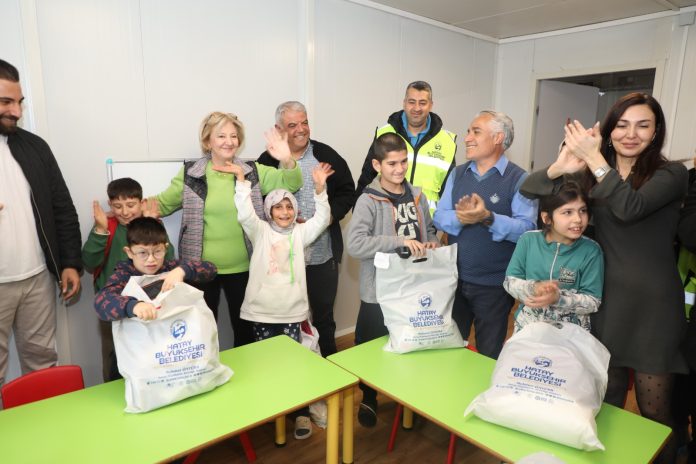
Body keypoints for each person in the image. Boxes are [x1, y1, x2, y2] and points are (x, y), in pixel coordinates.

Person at [520, 92, 688, 463]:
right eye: (622, 125)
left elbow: (630, 207)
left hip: (653, 306)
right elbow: (530, 189)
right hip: (605, 300)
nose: (631, 134)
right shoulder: (592, 175)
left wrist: (595, 159)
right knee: (605, 399)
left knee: (654, 409)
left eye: (643, 125)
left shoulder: (671, 174)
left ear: (656, 131)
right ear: (609, 130)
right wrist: (561, 166)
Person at [152, 112, 302, 347]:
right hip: (199, 269)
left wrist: (287, 159)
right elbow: (161, 204)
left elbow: (292, 183)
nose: (229, 141)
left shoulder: (252, 171)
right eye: (221, 136)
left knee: (246, 333)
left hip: (246, 267)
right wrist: (128, 208)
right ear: (207, 141)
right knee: (202, 332)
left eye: (234, 136)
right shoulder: (191, 174)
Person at [227, 159, 332, 440]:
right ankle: (272, 409)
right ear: (269, 211)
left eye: (289, 207)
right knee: (266, 366)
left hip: (292, 314)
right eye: (278, 207)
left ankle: (300, 412)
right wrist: (241, 182)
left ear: (295, 210)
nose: (284, 212)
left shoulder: (300, 233)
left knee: (294, 366)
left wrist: (320, 190)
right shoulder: (260, 231)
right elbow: (245, 214)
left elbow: (322, 220)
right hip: (261, 313)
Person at [347, 132, 439, 428]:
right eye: (392, 164)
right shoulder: (368, 200)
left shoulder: (418, 196)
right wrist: (397, 241)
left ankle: (407, 396)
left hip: (414, 288)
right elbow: (355, 245)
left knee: (410, 343)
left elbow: (430, 229)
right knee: (371, 346)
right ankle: (369, 397)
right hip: (378, 291)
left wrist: (432, 241)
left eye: (403, 162)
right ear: (377, 165)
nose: (399, 169)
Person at [0, 59, 82, 387]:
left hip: (38, 280)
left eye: (19, 102)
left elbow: (62, 208)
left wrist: (70, 263)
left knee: (43, 366)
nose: (16, 111)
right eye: (6, 102)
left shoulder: (34, 147)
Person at [433, 110, 537, 359]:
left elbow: (527, 230)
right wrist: (463, 217)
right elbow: (439, 217)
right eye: (469, 131)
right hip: (454, 280)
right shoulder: (457, 174)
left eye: (475, 132)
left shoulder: (520, 179)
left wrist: (488, 217)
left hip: (494, 287)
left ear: (498, 137)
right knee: (448, 350)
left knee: (487, 356)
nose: (467, 138)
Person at [257, 101, 354, 356]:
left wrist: (328, 218)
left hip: (321, 255)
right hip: (280, 259)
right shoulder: (267, 160)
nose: (301, 129)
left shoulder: (326, 155)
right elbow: (257, 203)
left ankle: (331, 369)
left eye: (305, 123)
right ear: (279, 129)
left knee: (324, 317)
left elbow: (347, 191)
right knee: (284, 320)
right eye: (293, 125)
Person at [82, 177, 174, 381]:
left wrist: (153, 224)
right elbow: (89, 261)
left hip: (150, 303)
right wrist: (100, 230)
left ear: (142, 203)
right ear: (110, 205)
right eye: (117, 206)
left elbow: (168, 260)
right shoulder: (107, 226)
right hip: (113, 304)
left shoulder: (151, 227)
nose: (124, 212)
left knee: (152, 352)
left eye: (131, 205)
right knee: (113, 355)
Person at [503, 180, 604, 332]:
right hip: (528, 329)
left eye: (582, 210)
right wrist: (534, 288)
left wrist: (558, 298)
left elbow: (593, 301)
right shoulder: (528, 240)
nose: (578, 219)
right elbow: (510, 282)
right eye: (567, 212)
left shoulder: (591, 251)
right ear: (547, 218)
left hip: (571, 334)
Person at [355, 81, 457, 213]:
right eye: (411, 102)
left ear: (431, 105)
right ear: (404, 103)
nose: (416, 108)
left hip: (426, 221)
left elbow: (449, 192)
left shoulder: (447, 141)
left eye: (422, 103)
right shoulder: (384, 133)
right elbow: (367, 178)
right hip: (385, 218)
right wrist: (359, 211)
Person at [94, 217, 217, 321]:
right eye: (143, 253)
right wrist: (133, 306)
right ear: (129, 252)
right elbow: (101, 301)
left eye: (157, 251)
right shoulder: (123, 275)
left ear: (165, 248)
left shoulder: (170, 267)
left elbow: (211, 269)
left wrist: (183, 270)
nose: (151, 259)